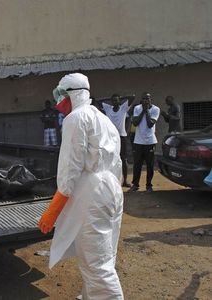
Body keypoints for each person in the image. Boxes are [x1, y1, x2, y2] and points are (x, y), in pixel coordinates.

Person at [39, 73, 124, 299]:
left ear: (71, 94)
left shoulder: (76, 118)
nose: (58, 102)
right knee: (102, 255)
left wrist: (54, 209)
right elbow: (117, 162)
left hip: (93, 193)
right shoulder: (102, 118)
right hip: (111, 189)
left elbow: (71, 166)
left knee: (96, 263)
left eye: (60, 95)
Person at [129, 92, 160, 193]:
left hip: (150, 141)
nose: (145, 101)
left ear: (151, 99)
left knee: (149, 165)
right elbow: (135, 123)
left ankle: (149, 186)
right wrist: (143, 111)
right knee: (137, 164)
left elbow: (150, 124)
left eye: (147, 99)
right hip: (138, 141)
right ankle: (135, 184)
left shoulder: (156, 109)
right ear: (141, 100)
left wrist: (147, 111)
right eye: (143, 99)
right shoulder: (137, 108)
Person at [102, 94, 135, 187]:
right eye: (113, 100)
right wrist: (109, 98)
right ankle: (112, 181)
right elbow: (96, 101)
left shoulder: (123, 108)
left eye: (116, 100)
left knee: (123, 159)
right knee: (110, 158)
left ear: (119, 101)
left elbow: (133, 96)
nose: (115, 102)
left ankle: (125, 181)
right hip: (111, 137)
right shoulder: (108, 108)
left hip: (121, 137)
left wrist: (121, 98)